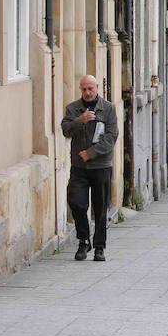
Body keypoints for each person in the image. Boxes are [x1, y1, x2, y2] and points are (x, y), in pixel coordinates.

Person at [60, 74, 118, 262]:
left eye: (90, 88)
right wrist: (80, 121)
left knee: (100, 208)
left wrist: (91, 153)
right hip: (79, 167)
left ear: (97, 88)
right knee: (77, 202)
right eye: (84, 89)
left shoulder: (108, 109)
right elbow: (66, 130)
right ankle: (83, 240)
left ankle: (99, 247)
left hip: (100, 166)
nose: (87, 92)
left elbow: (111, 137)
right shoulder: (73, 108)